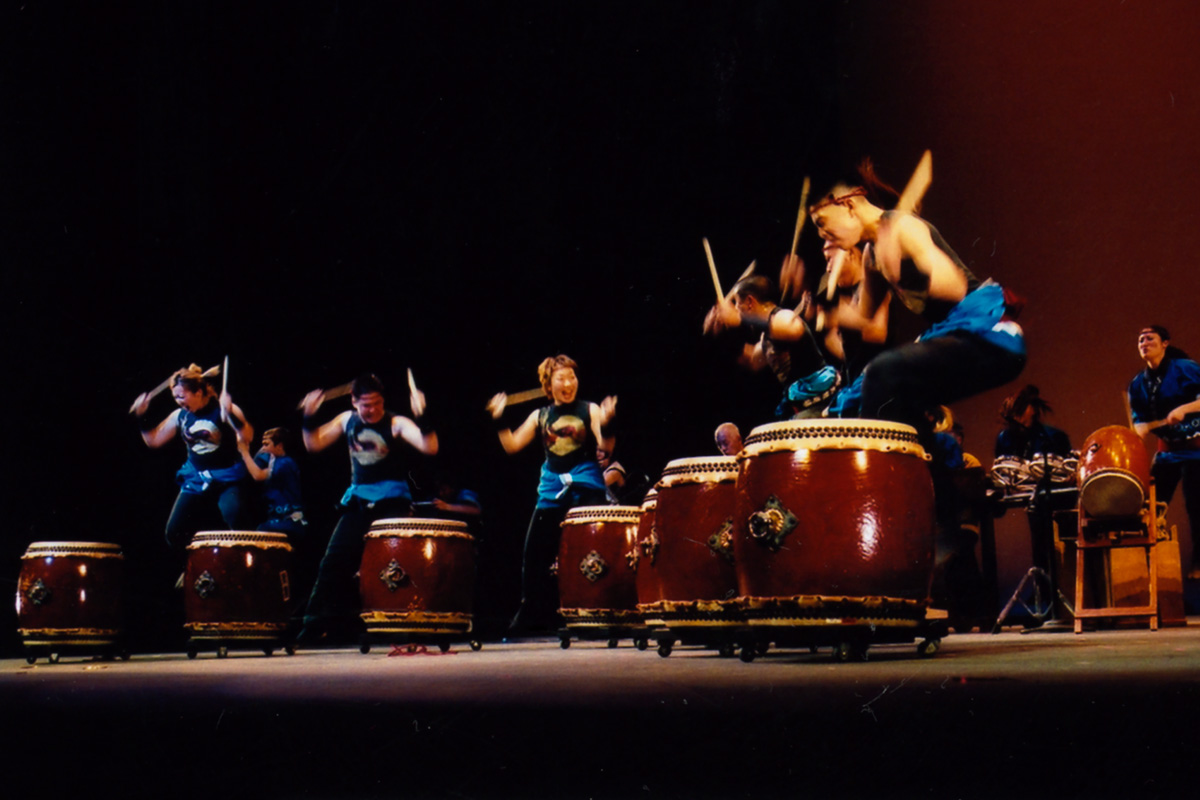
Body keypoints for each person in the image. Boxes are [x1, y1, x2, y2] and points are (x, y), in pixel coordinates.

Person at [811, 160, 1026, 442]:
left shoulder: (901, 226)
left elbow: (953, 285)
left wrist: (901, 274)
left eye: (822, 223)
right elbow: (864, 318)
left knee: (884, 373)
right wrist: (823, 312)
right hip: (957, 337)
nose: (821, 235)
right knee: (878, 397)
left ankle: (880, 479)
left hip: (989, 334)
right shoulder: (871, 255)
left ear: (847, 205)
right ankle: (930, 480)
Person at [297, 373, 438, 643]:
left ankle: (405, 623)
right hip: (359, 501)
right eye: (365, 405)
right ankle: (313, 624)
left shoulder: (396, 423)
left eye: (376, 403)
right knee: (333, 561)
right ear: (353, 402)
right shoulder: (346, 420)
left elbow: (429, 446)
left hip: (392, 502)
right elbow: (313, 443)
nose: (371, 410)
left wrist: (423, 416)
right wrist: (308, 416)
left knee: (394, 565)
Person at [487, 355, 617, 633]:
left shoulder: (590, 409)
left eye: (572, 377)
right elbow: (512, 445)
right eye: (561, 378)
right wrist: (499, 419)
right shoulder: (540, 416)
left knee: (594, 550)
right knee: (533, 556)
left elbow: (606, 445)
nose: (569, 383)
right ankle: (531, 613)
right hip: (551, 491)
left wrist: (607, 421)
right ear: (549, 384)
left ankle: (599, 608)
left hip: (586, 487)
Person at [132, 363, 254, 561]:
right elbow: (153, 440)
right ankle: (196, 567)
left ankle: (245, 565)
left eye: (182, 396)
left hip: (227, 476)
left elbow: (247, 436)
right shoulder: (181, 416)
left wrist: (230, 411)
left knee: (235, 516)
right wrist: (142, 415)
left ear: (198, 392)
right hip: (196, 477)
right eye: (175, 398)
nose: (179, 402)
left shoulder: (223, 409)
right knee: (174, 532)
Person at [704, 274, 841, 419]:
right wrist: (721, 334)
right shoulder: (766, 336)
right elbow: (751, 361)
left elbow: (791, 328)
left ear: (750, 301)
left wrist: (739, 319)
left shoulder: (783, 316)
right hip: (802, 403)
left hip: (821, 397)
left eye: (737, 303)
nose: (736, 309)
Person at [1128, 325, 1200, 579]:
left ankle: (1199, 562)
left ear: (1165, 343)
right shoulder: (1138, 384)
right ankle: (1146, 568)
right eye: (1140, 340)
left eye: (1150, 338)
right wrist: (1140, 428)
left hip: (1196, 451)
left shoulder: (1186, 368)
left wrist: (1186, 408)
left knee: (1197, 505)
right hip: (1167, 453)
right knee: (1150, 507)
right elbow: (1138, 419)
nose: (1144, 343)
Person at [236, 427, 307, 539]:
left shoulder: (285, 463)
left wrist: (244, 452)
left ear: (279, 446)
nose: (263, 448)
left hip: (288, 523)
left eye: (266, 444)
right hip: (275, 520)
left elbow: (258, 475)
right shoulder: (274, 462)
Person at [994, 385, 1072, 461]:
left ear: (1034, 410)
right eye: (1016, 413)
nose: (1018, 418)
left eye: (1021, 410)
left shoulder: (1055, 437)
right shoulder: (1004, 438)